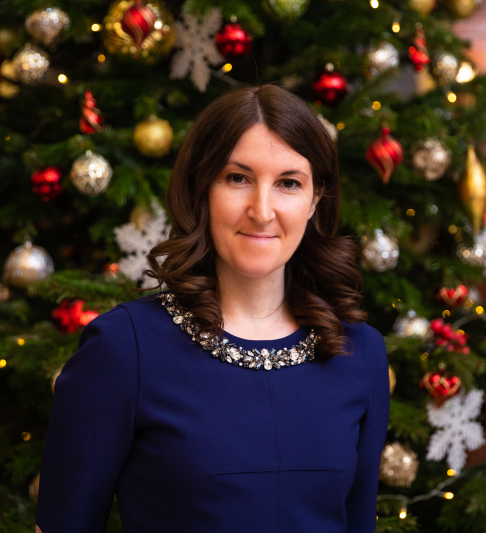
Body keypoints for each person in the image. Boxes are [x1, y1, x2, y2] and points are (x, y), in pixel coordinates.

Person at [35, 84, 390, 533]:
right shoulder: (123, 348)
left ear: (315, 200)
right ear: (201, 188)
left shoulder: (361, 354)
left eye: (288, 183)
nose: (262, 211)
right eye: (238, 178)